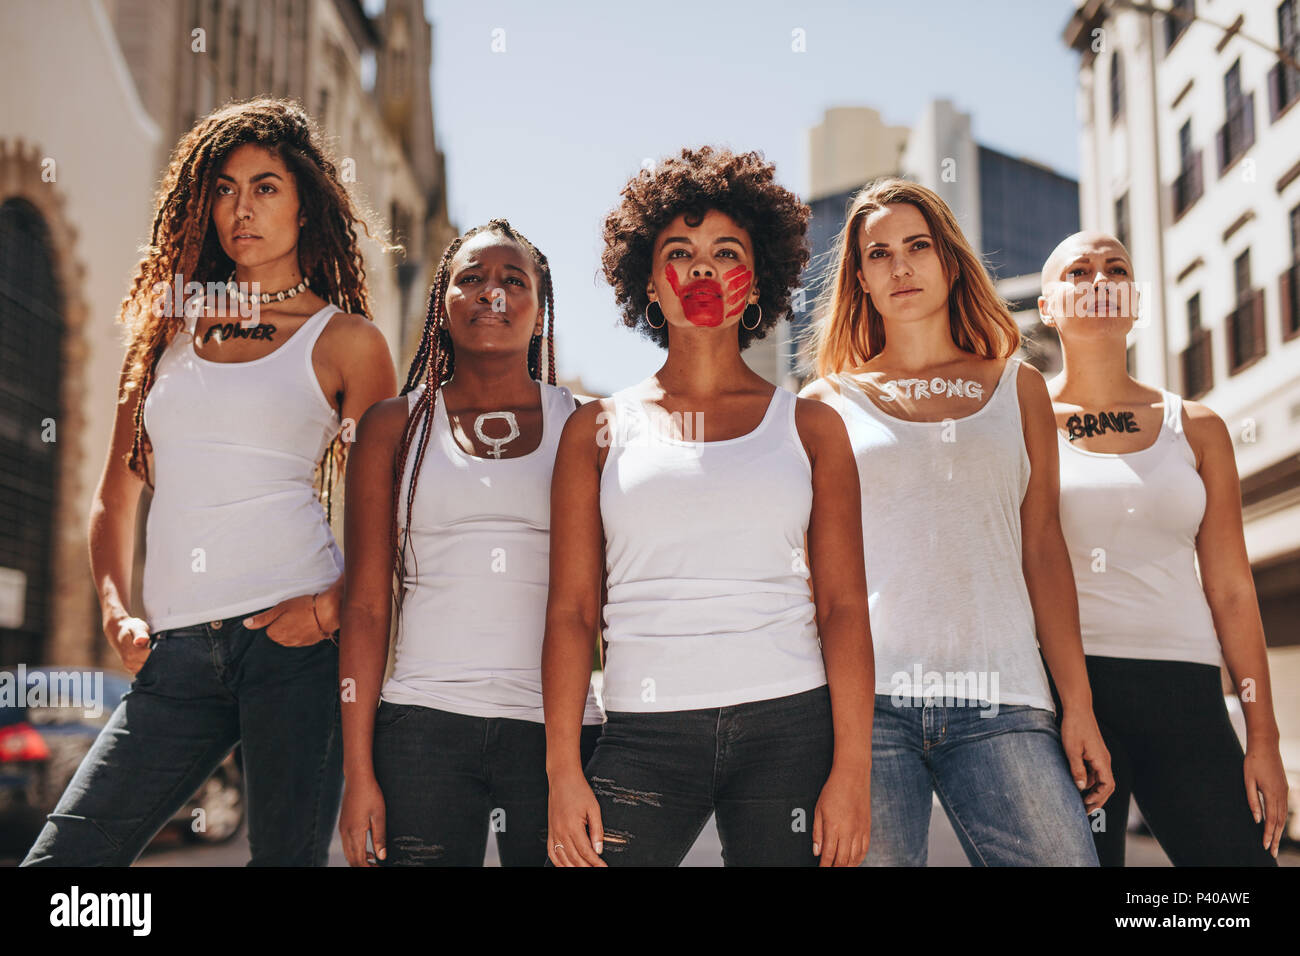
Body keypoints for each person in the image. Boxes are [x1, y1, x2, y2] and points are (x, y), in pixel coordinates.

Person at [22, 98, 397, 866]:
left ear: (305, 204)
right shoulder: (165, 335)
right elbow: (113, 496)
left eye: (265, 187)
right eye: (223, 188)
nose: (241, 208)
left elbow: (385, 512)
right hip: (179, 654)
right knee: (66, 864)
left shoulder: (349, 343)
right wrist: (115, 609)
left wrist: (327, 609)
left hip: (294, 645)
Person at [544, 146, 873, 867]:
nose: (701, 269)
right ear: (649, 286)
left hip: (791, 726)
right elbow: (572, 611)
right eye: (680, 252)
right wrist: (562, 770)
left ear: (754, 283)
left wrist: (853, 770)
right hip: (643, 733)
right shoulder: (593, 430)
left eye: (725, 252)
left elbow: (845, 607)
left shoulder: (813, 428)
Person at [800, 178, 1112, 866]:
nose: (900, 266)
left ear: (949, 259)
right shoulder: (824, 404)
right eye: (879, 254)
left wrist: (1078, 704)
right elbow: (813, 574)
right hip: (865, 707)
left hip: (1006, 699)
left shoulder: (1017, 386)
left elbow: (1043, 548)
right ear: (861, 278)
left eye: (917, 246)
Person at [338, 219, 604, 867]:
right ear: (443, 304)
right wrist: (358, 772)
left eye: (515, 282)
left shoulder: (591, 425)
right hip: (422, 726)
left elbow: (611, 598)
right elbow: (366, 606)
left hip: (561, 734)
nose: (493, 294)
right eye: (472, 279)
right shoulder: (392, 428)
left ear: (539, 313)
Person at [1038, 229, 1287, 865]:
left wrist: (1263, 737)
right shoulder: (1022, 421)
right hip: (1064, 695)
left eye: (1116, 269)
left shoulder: (1196, 426)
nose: (1100, 281)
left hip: (1185, 691)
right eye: (1079, 272)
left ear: (1136, 300)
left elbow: (1231, 587)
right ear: (1047, 306)